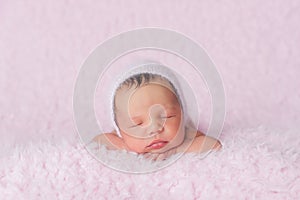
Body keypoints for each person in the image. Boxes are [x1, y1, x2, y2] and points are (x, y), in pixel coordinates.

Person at [91, 63, 222, 161]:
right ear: (120, 130)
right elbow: (98, 141)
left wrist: (177, 149)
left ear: (182, 114)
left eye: (167, 116)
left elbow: (214, 145)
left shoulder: (187, 132)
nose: (155, 129)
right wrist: (130, 147)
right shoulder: (123, 137)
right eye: (137, 124)